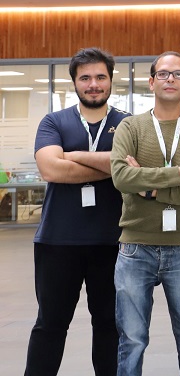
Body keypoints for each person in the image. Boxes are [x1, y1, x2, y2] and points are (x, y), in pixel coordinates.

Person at [110, 51, 180, 376]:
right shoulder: (130, 127)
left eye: (177, 74)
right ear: (151, 82)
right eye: (163, 74)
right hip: (135, 248)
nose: (169, 79)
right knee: (131, 340)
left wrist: (150, 187)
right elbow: (120, 177)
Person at [26, 48, 130, 376]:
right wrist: (113, 165)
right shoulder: (54, 121)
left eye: (100, 77)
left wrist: (71, 155)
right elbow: (51, 170)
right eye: (85, 78)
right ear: (74, 83)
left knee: (110, 327)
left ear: (111, 81)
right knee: (50, 326)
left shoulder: (127, 123)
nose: (93, 84)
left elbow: (136, 170)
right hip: (58, 243)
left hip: (114, 243)